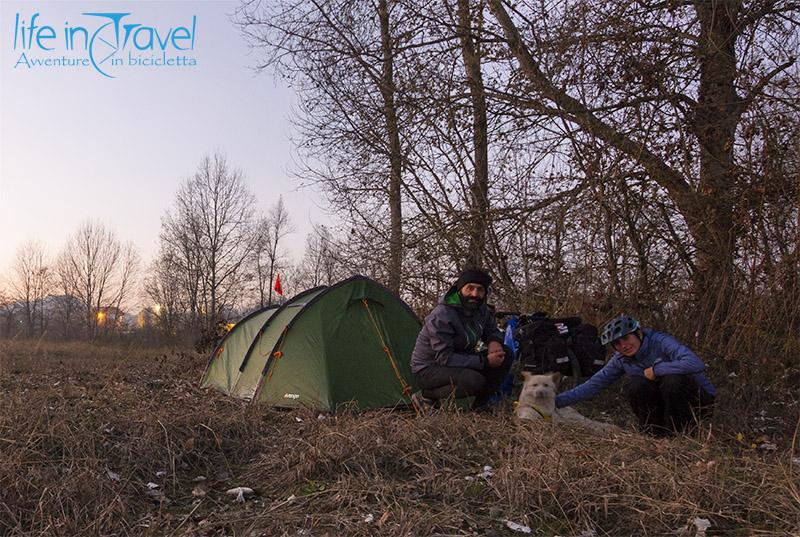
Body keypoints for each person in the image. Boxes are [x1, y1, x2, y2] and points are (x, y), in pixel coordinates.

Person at [555, 314, 716, 436]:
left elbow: (696, 363)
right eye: (617, 343)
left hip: (699, 400)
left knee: (673, 381)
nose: (623, 346)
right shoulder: (621, 359)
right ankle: (653, 436)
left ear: (638, 333)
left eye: (626, 338)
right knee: (636, 385)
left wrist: (658, 369)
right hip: (665, 404)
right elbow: (593, 385)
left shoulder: (660, 341)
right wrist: (554, 402)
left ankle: (681, 436)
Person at [410, 268, 512, 412]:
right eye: (470, 288)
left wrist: (494, 342)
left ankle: (479, 407)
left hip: (461, 360)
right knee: (474, 381)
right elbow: (444, 358)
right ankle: (425, 396)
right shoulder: (441, 316)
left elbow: (491, 330)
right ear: (460, 289)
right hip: (429, 368)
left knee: (505, 354)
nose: (475, 294)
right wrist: (485, 362)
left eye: (480, 290)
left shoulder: (481, 309)